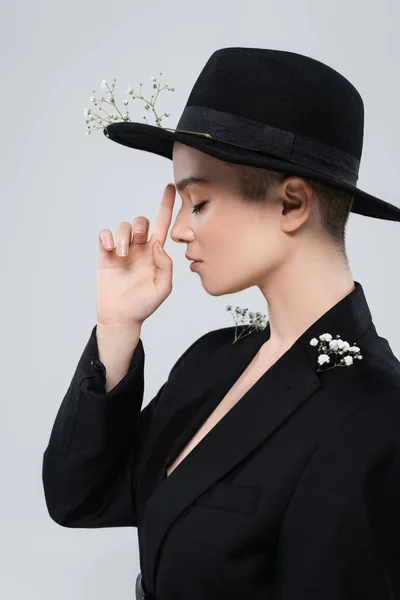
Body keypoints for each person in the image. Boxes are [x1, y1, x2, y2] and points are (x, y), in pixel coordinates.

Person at [42, 48, 400, 599]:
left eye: (199, 202)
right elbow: (78, 498)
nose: (179, 230)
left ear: (292, 204)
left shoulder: (375, 416)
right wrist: (117, 327)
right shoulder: (215, 358)